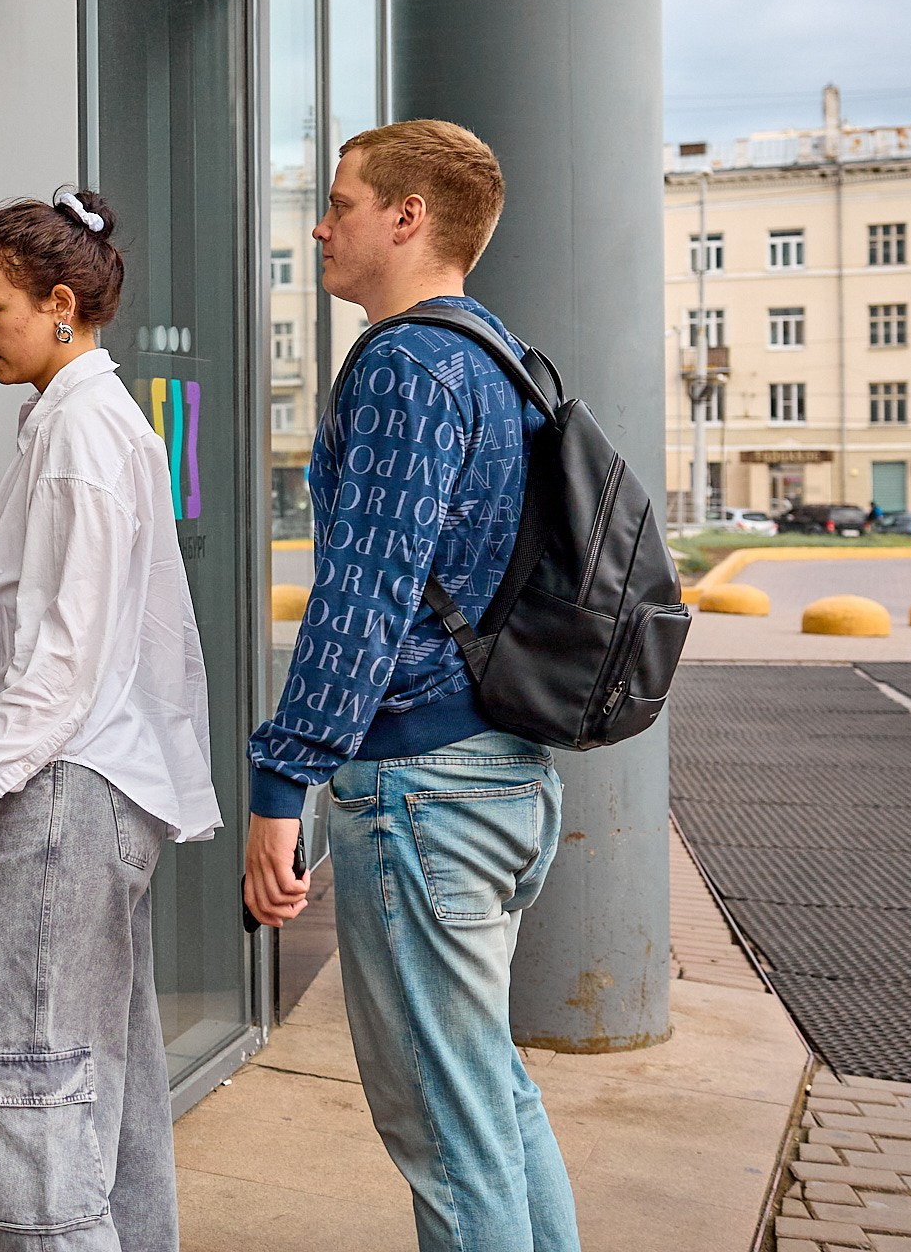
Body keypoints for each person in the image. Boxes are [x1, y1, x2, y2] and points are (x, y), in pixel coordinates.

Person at [243, 120, 579, 1252]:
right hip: (503, 775)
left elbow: (362, 599)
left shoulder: (403, 365)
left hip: (424, 794)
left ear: (409, 217)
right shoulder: (495, 355)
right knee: (491, 1100)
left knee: (446, 1134)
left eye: (340, 202)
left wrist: (280, 782)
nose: (321, 224)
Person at [0, 188, 221, 1252]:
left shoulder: (80, 433)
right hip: (100, 794)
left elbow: (63, 660)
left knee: (28, 1084)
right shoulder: (91, 423)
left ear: (62, 304)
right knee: (99, 1091)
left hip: (66, 796)